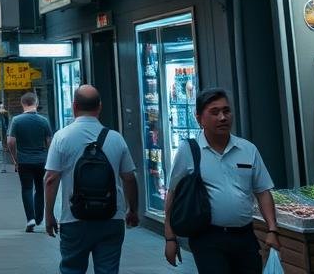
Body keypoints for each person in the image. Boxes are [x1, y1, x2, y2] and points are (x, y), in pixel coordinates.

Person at [164, 88, 279, 273]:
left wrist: (272, 229)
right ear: (200, 118)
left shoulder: (248, 149)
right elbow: (172, 194)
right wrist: (170, 237)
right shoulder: (189, 151)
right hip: (208, 238)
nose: (222, 117)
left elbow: (263, 191)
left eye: (226, 111)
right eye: (215, 112)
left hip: (245, 236)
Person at [44, 85, 139, 274]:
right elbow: (129, 178)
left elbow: (50, 179)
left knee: (72, 269)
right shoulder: (116, 138)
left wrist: (49, 215)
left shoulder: (61, 137)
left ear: (74, 106)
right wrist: (132, 210)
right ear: (100, 107)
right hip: (111, 217)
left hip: (74, 217)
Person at [6, 91, 54, 231]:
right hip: (41, 160)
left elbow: (10, 141)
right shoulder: (44, 121)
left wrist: (15, 159)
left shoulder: (16, 120)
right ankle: (39, 217)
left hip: (24, 160)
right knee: (40, 188)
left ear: (22, 104)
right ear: (36, 103)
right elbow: (50, 141)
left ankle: (30, 219)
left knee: (26, 188)